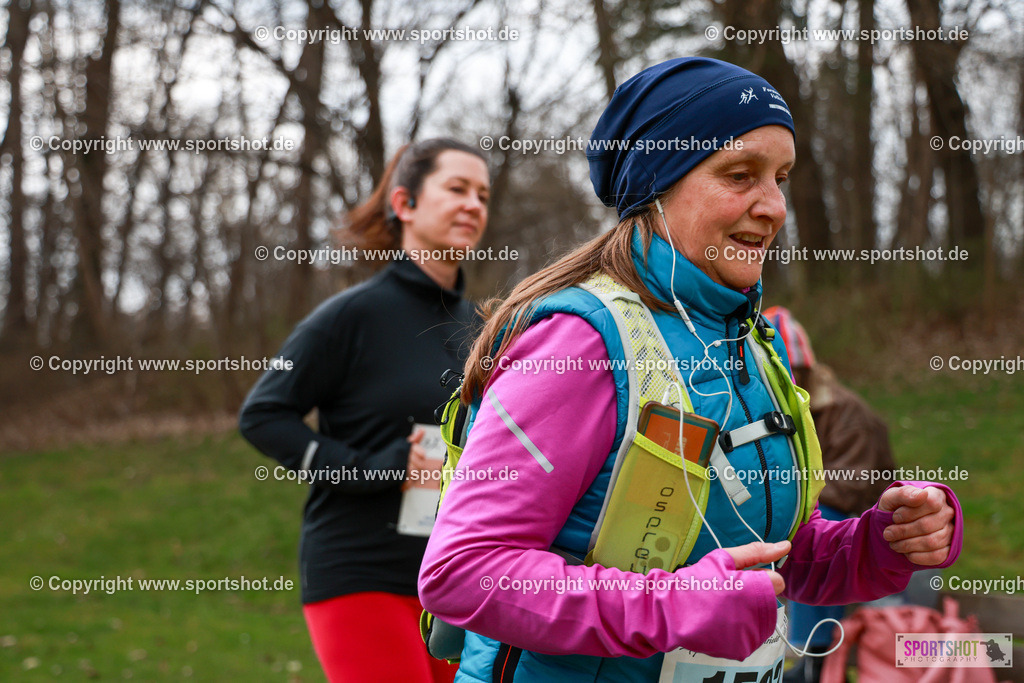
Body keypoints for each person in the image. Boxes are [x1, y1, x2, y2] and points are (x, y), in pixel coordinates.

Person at [417, 58, 962, 682]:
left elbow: (773, 552)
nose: (775, 207)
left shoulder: (752, 344)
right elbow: (461, 572)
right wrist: (673, 607)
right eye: (740, 175)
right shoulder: (580, 342)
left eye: (780, 177)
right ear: (658, 185)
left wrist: (877, 543)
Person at [239, 138, 490, 682]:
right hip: (360, 571)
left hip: (452, 576)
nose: (474, 204)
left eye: (483, 195)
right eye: (456, 189)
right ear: (405, 205)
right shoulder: (351, 316)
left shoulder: (481, 327)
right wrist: (374, 467)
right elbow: (262, 415)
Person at [762, 306, 898, 682]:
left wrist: (787, 497)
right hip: (802, 514)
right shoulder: (770, 410)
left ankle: (814, 655)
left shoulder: (847, 414)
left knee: (817, 535)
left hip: (862, 521)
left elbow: (849, 488)